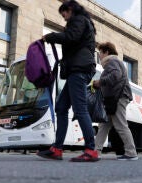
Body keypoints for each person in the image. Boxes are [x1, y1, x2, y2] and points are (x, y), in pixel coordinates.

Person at [37, 0, 99, 162]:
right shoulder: (82, 21)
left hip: (79, 69)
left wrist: (51, 36)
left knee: (80, 109)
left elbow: (71, 37)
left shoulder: (78, 20)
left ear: (70, 9)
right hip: (76, 70)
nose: (64, 18)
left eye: (64, 13)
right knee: (62, 107)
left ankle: (91, 150)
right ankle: (57, 149)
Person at [92, 42, 138, 161]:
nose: (99, 55)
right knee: (103, 125)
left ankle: (131, 152)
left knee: (121, 125)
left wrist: (100, 82)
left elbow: (116, 76)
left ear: (106, 52)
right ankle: (96, 151)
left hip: (118, 97)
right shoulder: (113, 63)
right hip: (113, 99)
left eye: (100, 52)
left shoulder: (113, 61)